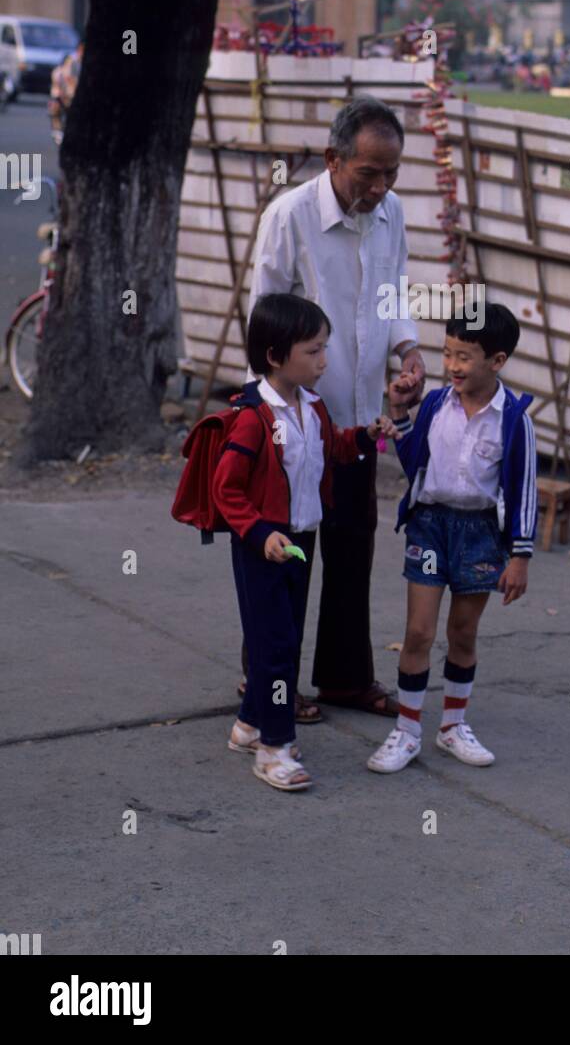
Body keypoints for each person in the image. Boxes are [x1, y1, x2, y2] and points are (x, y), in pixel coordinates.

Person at [248, 97, 426, 720]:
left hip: (357, 424)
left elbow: (394, 290)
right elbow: (262, 325)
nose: (380, 187)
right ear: (332, 160)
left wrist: (407, 349)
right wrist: (268, 421)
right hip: (294, 425)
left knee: (352, 549)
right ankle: (269, 684)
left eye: (392, 173)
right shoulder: (289, 216)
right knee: (288, 557)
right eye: (369, 173)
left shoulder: (391, 213)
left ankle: (346, 678)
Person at [212, 293, 398, 791]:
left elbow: (332, 447)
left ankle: (249, 726)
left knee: (284, 639)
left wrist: (365, 437)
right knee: (275, 648)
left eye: (325, 348)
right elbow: (224, 488)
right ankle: (274, 748)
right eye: (313, 351)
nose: (324, 361)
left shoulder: (311, 407)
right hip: (264, 549)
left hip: (301, 541)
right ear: (275, 356)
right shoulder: (252, 417)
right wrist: (258, 533)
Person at [366, 304, 537, 775]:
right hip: (429, 527)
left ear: (496, 361)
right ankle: (406, 731)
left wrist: (519, 556)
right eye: (448, 353)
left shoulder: (513, 419)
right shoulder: (437, 405)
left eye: (465, 356)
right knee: (418, 632)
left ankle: (452, 727)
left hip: (480, 534)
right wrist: (399, 414)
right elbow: (414, 461)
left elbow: (523, 491)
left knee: (463, 632)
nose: (453, 366)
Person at [48, 40, 83, 146]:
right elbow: (61, 78)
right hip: (65, 96)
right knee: (54, 107)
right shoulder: (70, 62)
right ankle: (58, 132)